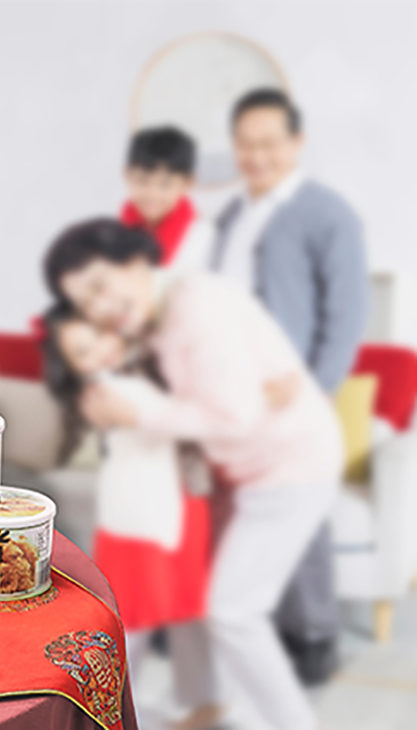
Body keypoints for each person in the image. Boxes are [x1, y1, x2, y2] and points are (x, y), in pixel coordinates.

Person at [45, 219, 342, 730]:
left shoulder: (195, 308)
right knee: (204, 606)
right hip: (233, 476)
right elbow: (229, 402)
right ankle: (206, 705)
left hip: (287, 466)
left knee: (232, 610)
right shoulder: (153, 319)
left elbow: (232, 416)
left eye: (99, 286)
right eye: (86, 303)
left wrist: (140, 414)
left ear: (134, 260)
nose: (100, 308)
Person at [214, 88, 367, 684]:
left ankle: (315, 633)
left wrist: (314, 390)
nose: (257, 156)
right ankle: (256, 625)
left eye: (270, 143)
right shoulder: (231, 214)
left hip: (290, 397)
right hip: (231, 395)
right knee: (238, 509)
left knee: (299, 510)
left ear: (296, 143)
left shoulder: (327, 214)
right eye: (246, 144)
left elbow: (347, 314)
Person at [41, 302, 220, 730]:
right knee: (128, 619)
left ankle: (193, 702)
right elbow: (170, 425)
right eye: (82, 352)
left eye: (99, 336)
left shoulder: (148, 367)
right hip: (138, 518)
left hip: (169, 509)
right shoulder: (103, 392)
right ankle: (117, 709)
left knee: (180, 612)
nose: (99, 351)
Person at [120, 126, 212, 272]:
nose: (152, 193)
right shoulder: (114, 233)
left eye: (165, 184)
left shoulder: (204, 237)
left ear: (187, 183)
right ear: (127, 175)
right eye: (142, 181)